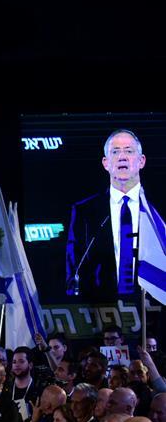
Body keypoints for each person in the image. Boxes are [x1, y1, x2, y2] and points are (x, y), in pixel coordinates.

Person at [67, 129, 147, 301]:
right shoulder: (84, 211)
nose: (122, 157)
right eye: (115, 152)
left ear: (141, 161)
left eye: (129, 151)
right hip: (101, 308)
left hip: (154, 307)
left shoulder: (158, 208)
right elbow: (74, 268)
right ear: (106, 163)